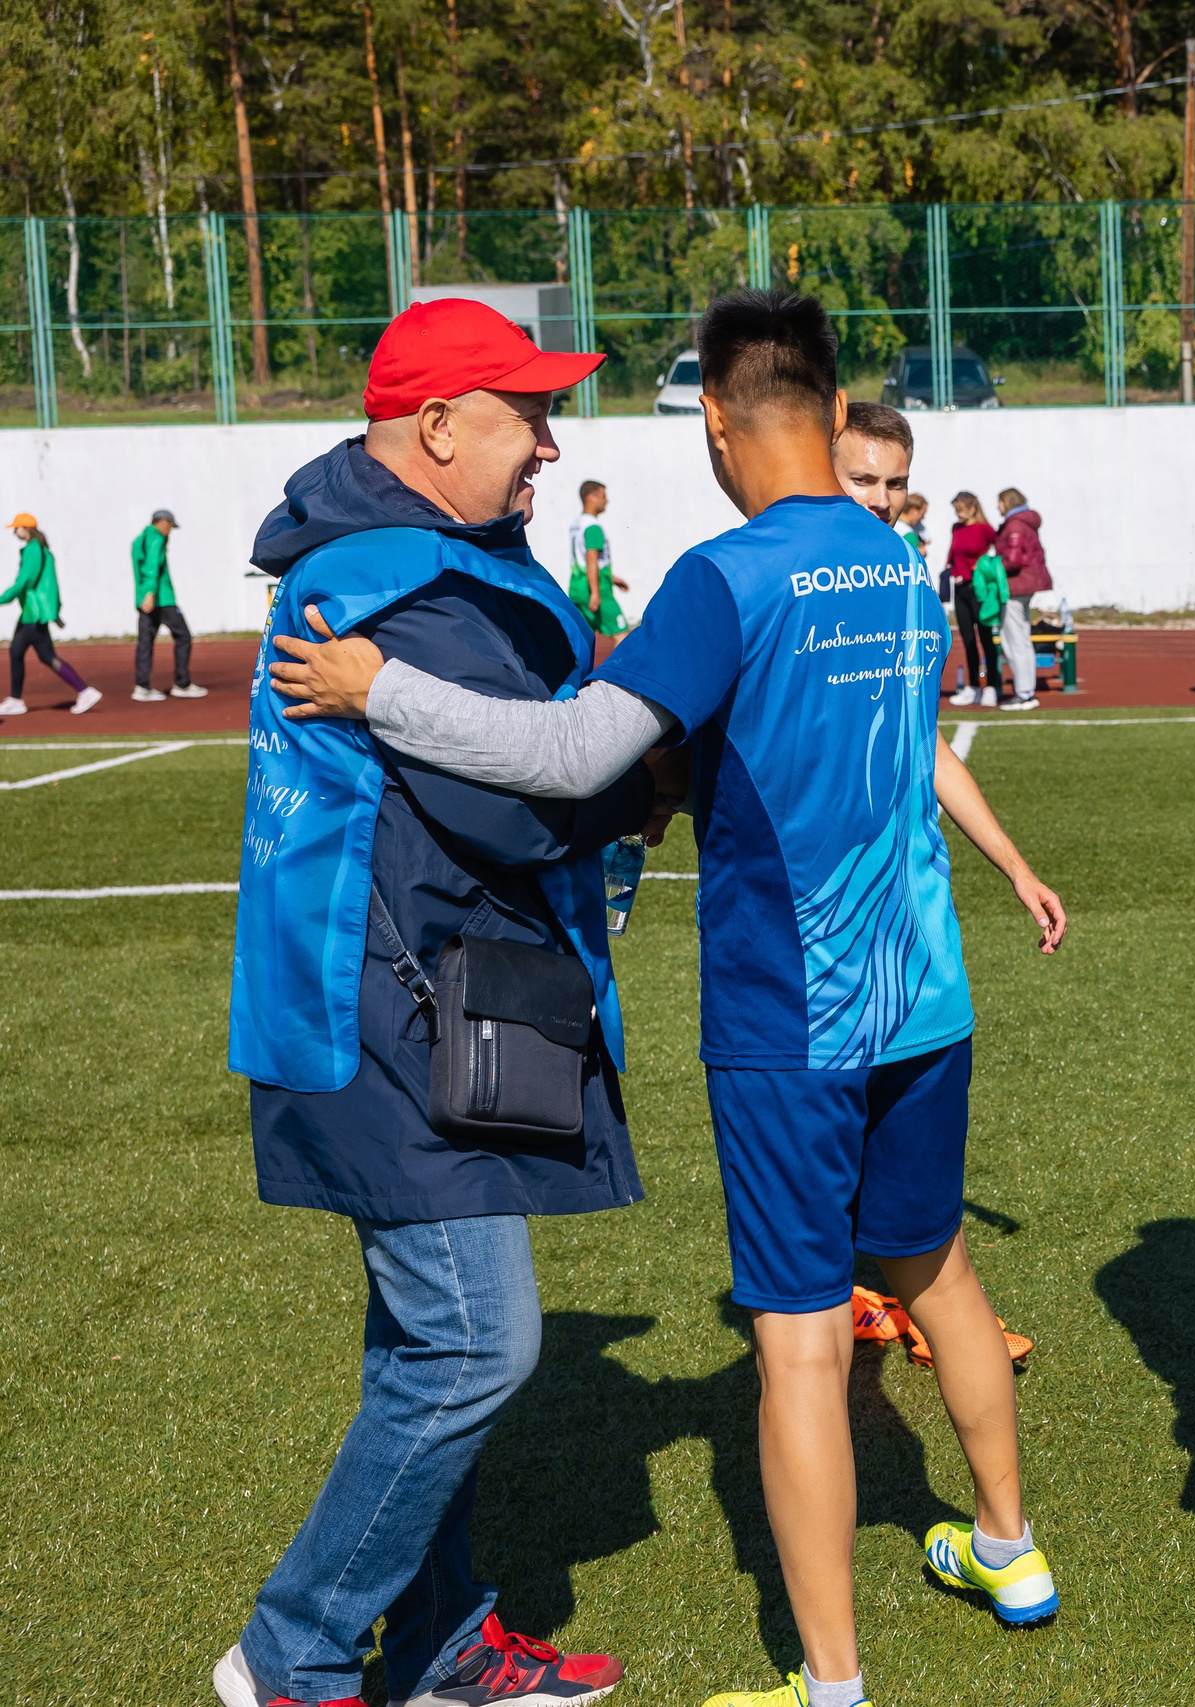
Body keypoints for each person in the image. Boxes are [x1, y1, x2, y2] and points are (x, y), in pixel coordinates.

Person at [265, 289, 1072, 1707]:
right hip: (925, 1002)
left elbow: (576, 750)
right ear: (834, 413)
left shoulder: (724, 574)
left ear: (712, 414)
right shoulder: (895, 561)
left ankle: (828, 1681)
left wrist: (381, 683)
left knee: (803, 1341)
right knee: (938, 1268)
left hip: (792, 1017)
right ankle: (1010, 1545)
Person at [212, 296, 638, 1707]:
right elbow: (521, 811)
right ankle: (296, 1654)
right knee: (473, 1339)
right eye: (527, 416)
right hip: (393, 1012)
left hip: (379, 997)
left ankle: (445, 1633)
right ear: (439, 425)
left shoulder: (389, 559)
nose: (549, 443)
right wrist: (644, 772)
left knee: (425, 1343)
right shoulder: (421, 585)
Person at [2, 515, 101, 717]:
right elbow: (49, 584)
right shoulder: (41, 550)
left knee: (44, 656)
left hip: (33, 614)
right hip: (34, 613)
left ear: (26, 528)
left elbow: (24, 582)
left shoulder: (33, 550)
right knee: (18, 653)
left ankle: (84, 691)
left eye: (17, 528)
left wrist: (2, 598)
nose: (14, 532)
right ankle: (15, 699)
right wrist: (55, 612)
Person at [132, 507, 207, 700]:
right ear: (163, 522)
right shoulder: (156, 538)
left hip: (144, 599)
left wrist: (144, 595)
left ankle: (142, 687)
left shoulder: (138, 540)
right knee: (183, 637)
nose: (170, 531)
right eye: (170, 526)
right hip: (162, 599)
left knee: (145, 642)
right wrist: (151, 593)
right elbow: (151, 566)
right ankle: (181, 684)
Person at [992, 486, 1049, 710]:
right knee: (1022, 639)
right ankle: (1026, 691)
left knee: (1014, 640)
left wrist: (992, 567)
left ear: (1007, 501)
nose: (997, 506)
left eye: (1000, 502)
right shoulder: (1025, 521)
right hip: (1026, 584)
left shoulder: (1015, 523)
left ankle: (1024, 693)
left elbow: (1013, 559)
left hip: (1016, 586)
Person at [944, 491, 998, 706]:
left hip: (979, 590)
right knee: (967, 640)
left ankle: (992, 686)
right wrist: (949, 567)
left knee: (986, 639)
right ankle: (974, 686)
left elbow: (1000, 550)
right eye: (955, 510)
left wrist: (986, 567)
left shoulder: (984, 529)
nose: (958, 514)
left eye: (961, 509)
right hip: (960, 589)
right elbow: (953, 553)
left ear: (972, 508)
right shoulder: (956, 528)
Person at [566, 481, 631, 652]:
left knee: (581, 640)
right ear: (591, 497)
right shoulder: (593, 527)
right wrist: (595, 591)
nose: (607, 501)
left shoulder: (577, 523)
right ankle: (616, 677)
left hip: (577, 588)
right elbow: (591, 559)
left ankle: (575, 677)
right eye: (603, 496)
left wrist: (613, 578)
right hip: (597, 591)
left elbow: (584, 559)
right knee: (623, 637)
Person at [830, 400, 912, 523]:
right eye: (862, 480)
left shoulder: (903, 542)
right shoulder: (794, 539)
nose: (882, 503)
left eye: (895, 484)